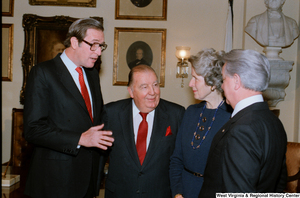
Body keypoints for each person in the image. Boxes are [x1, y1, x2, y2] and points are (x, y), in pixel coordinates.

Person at [23, 18, 114, 198]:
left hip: (87, 180)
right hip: (55, 181)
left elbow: (96, 119)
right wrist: (79, 139)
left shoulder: (92, 74)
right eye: (93, 45)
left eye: (101, 46)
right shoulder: (43, 72)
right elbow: (33, 130)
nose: (98, 52)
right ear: (74, 41)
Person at [199, 49, 287, 197]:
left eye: (224, 79)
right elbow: (279, 182)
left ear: (236, 81)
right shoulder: (274, 122)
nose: (222, 86)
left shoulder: (243, 129)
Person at [103, 64, 185, 198]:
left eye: (155, 85)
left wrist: (179, 192)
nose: (152, 92)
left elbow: (181, 159)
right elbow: (99, 156)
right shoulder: (111, 113)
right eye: (144, 87)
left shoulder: (176, 114)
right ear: (131, 91)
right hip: (119, 193)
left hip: (160, 193)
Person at [169, 48, 232, 198]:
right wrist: (177, 193)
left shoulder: (231, 118)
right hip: (184, 191)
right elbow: (176, 159)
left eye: (196, 78)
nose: (190, 84)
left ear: (212, 82)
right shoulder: (191, 112)